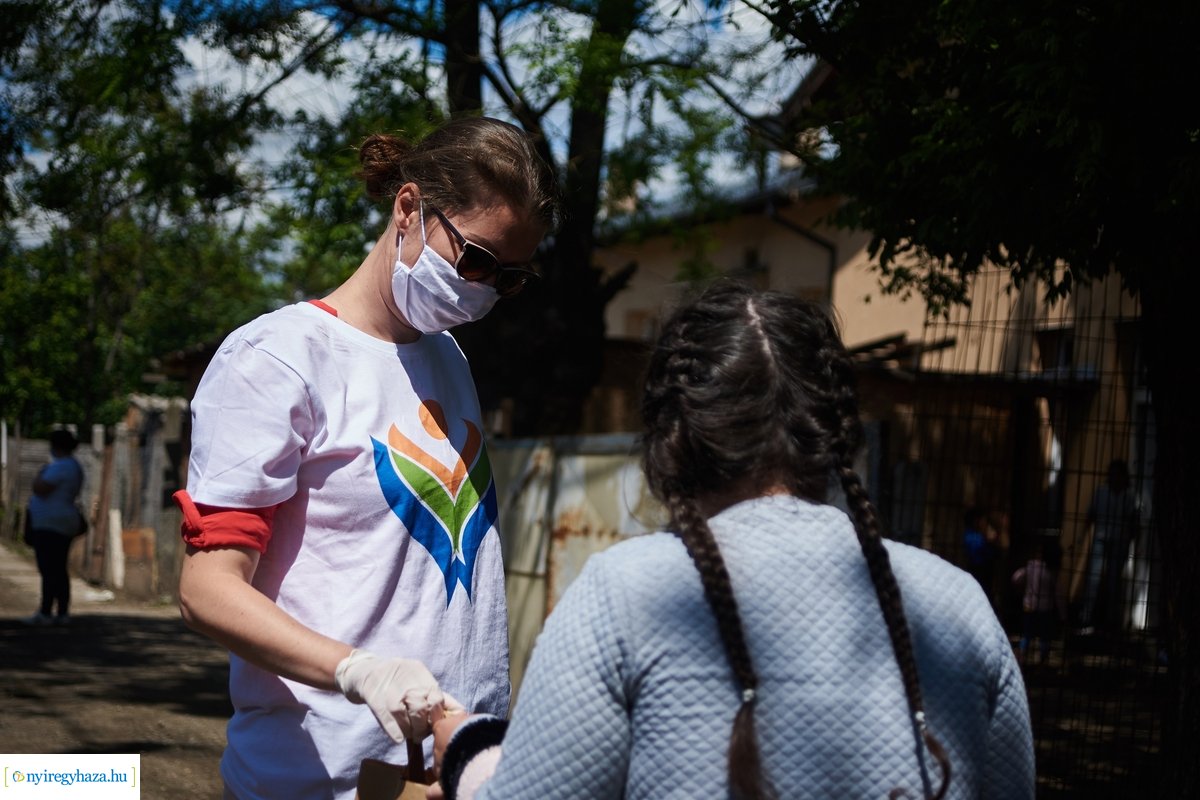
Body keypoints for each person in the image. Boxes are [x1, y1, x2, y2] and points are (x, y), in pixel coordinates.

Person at [428, 281, 1034, 800]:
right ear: (834, 431)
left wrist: (469, 753)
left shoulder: (627, 596)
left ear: (672, 435)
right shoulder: (960, 604)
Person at [173, 116, 559, 799]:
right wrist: (358, 670)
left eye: (511, 278)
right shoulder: (277, 360)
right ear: (408, 208)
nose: (486, 290)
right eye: (475, 260)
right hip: (317, 777)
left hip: (448, 768)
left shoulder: (447, 355)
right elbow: (208, 590)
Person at [23, 428, 86, 626]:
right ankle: (60, 611)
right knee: (57, 567)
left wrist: (40, 475)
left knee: (50, 567)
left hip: (52, 523)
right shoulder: (70, 466)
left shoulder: (62, 466)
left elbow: (40, 488)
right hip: (58, 522)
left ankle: (47, 611)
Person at [1077, 459, 1140, 633]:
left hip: (1120, 540)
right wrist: (1082, 537)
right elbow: (1090, 515)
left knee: (1114, 581)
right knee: (1094, 578)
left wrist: (1133, 539)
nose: (1115, 477)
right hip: (1102, 538)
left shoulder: (1130, 495)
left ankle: (1111, 621)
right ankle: (1086, 617)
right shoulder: (1101, 492)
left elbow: (1134, 521)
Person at [1011, 536, 1062, 667]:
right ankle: (1042, 660)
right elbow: (1058, 593)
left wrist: (1020, 587)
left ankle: (1022, 656)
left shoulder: (1031, 566)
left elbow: (1016, 577)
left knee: (1027, 633)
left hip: (1029, 605)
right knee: (1044, 636)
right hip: (1045, 608)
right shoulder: (1051, 571)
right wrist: (1062, 613)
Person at [961, 506, 998, 603]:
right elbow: (978, 550)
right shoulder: (972, 536)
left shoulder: (976, 535)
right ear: (976, 521)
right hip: (978, 570)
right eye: (982, 520)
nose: (984, 523)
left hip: (984, 571)